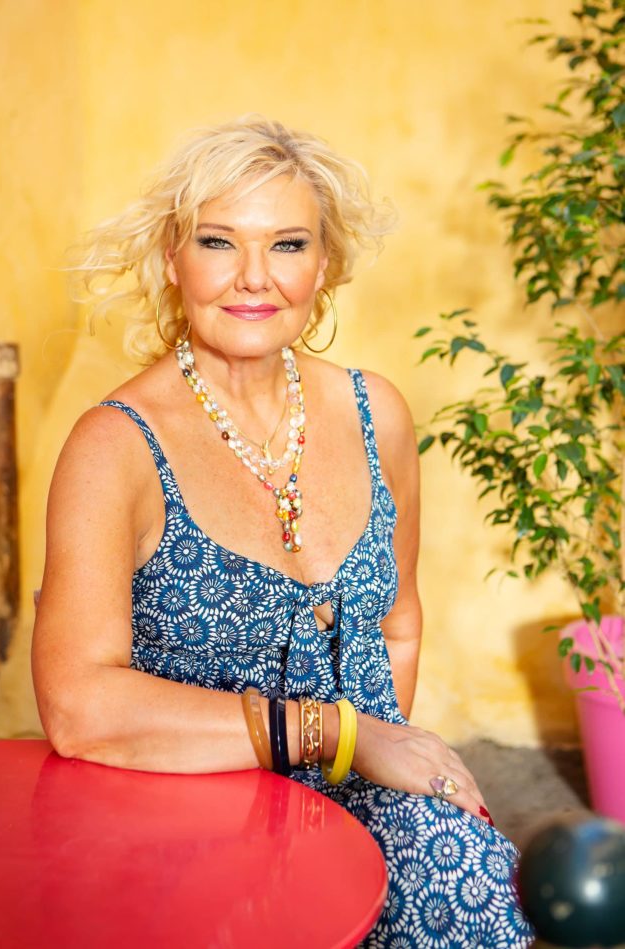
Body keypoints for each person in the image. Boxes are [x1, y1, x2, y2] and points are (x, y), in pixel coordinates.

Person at [32, 115, 534, 947]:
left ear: (324, 264)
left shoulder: (377, 412)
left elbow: (397, 622)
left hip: (351, 775)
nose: (253, 279)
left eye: (289, 245)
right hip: (191, 798)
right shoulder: (114, 445)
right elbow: (79, 706)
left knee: (466, 874)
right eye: (219, 242)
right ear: (172, 259)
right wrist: (341, 734)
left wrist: (375, 768)